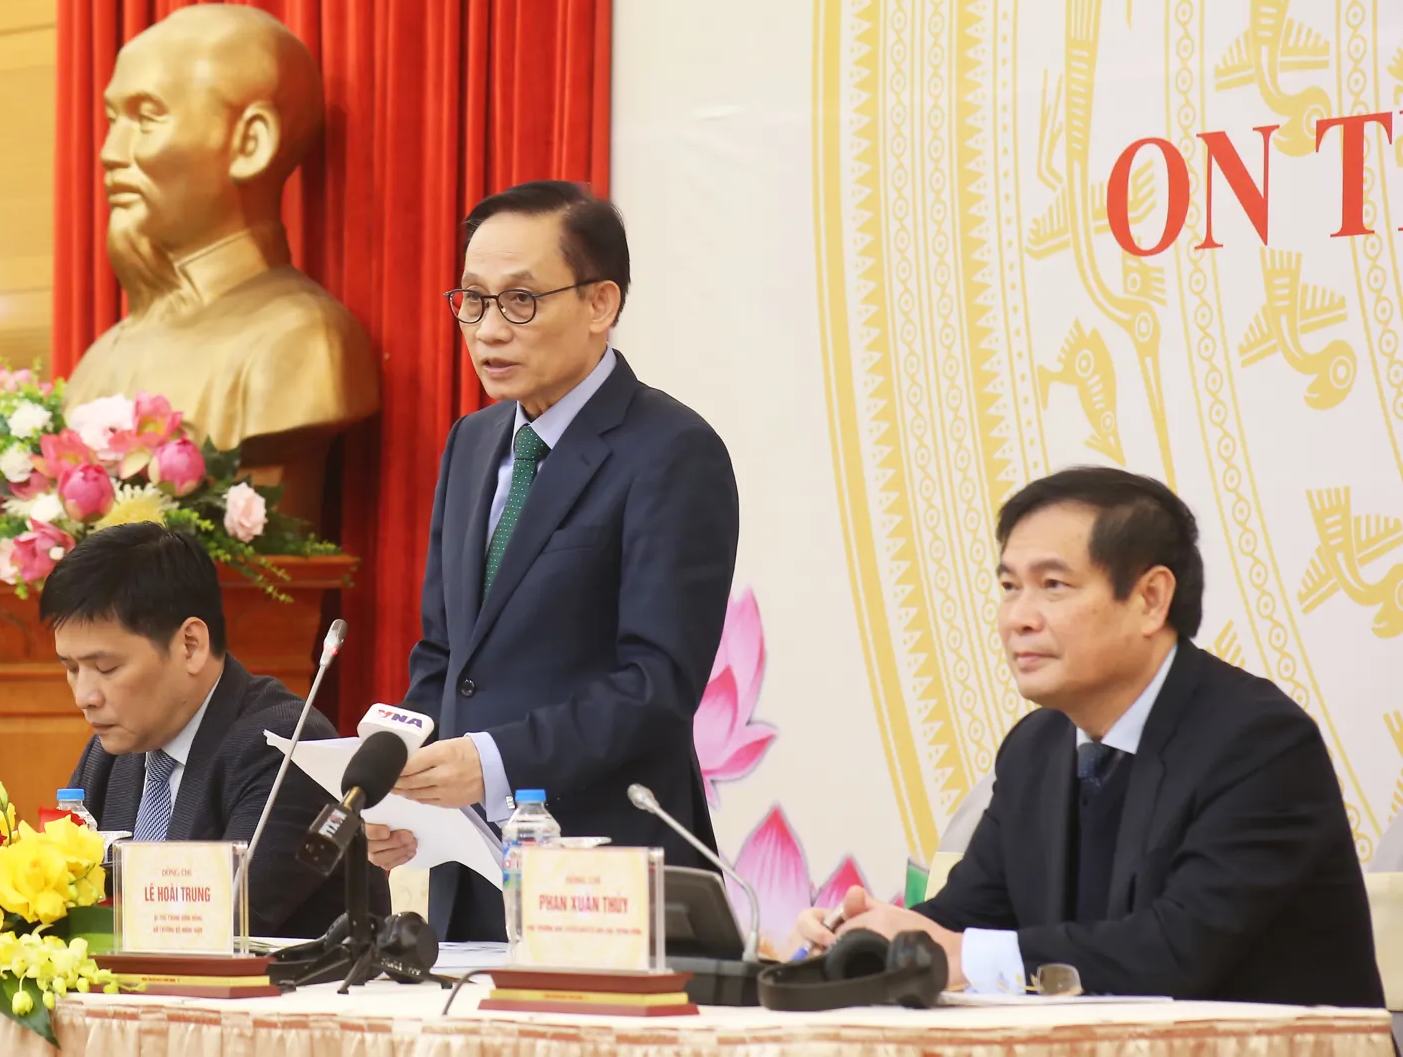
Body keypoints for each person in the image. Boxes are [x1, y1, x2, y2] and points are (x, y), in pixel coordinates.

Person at [794, 467, 1385, 1008]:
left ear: (1150, 599)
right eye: (1009, 586)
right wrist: (869, 939)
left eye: (1053, 585)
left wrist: (957, 954)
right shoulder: (1036, 749)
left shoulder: (1258, 742)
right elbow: (966, 918)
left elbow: (1177, 950)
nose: (1018, 618)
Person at [366, 180, 742, 941]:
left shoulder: (672, 451)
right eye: (473, 300)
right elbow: (445, 656)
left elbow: (656, 686)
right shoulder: (472, 444)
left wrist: (491, 762)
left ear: (601, 303)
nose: (488, 331)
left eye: (520, 301)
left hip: (603, 878)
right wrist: (405, 793)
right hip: (471, 876)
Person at [62, 3, 378, 521]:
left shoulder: (302, 342)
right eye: (113, 120)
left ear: (250, 142)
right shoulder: (100, 359)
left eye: (147, 118)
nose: (110, 152)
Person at [48, 521, 387, 937]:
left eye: (106, 667)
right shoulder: (111, 752)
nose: (84, 696)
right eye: (71, 668)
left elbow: (216, 925)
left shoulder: (285, 747)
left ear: (190, 645)